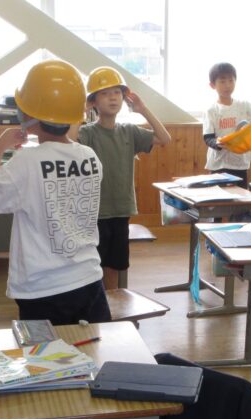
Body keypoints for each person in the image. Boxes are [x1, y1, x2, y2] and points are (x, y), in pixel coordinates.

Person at [0, 59, 111, 326]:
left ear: (29, 118)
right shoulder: (90, 156)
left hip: (41, 288)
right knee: (94, 356)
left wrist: (0, 145)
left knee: (47, 364)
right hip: (89, 279)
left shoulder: (25, 162)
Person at [76, 66, 171, 290]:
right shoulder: (88, 132)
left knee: (115, 266)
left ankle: (112, 309)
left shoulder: (129, 131)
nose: (112, 97)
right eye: (105, 93)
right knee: (92, 266)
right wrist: (81, 110)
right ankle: (96, 308)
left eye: (117, 92)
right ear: (93, 102)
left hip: (121, 210)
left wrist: (142, 109)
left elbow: (164, 138)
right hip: (94, 213)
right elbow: (69, 139)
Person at [203, 62, 251, 188]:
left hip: (240, 163)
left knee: (240, 200)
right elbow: (208, 137)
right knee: (219, 202)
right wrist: (217, 143)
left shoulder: (244, 106)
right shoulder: (211, 110)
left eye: (231, 81)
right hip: (219, 164)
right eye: (222, 81)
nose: (227, 85)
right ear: (212, 85)